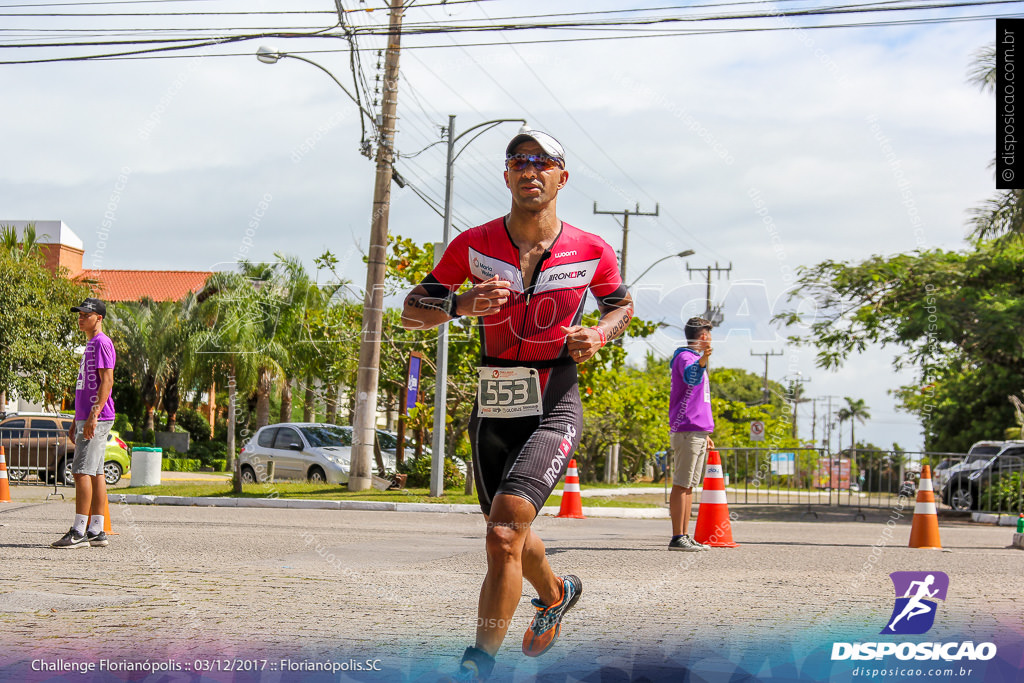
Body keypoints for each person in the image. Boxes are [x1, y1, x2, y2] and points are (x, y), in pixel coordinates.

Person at [402, 130, 633, 681]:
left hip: (555, 398)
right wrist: (460, 303)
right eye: (518, 162)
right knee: (507, 533)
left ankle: (477, 664)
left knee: (503, 534)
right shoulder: (473, 245)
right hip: (493, 401)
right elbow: (413, 311)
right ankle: (556, 594)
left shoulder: (591, 248)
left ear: (561, 177)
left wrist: (598, 335)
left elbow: (621, 308)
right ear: (506, 176)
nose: (530, 171)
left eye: (542, 162)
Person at [52, 298, 116, 549]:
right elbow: (85, 385)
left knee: (80, 471)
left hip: (96, 417)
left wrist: (93, 415)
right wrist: (76, 420)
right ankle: (96, 531)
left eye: (86, 315)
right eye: (79, 315)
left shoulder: (101, 342)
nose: (81, 318)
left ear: (98, 318)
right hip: (86, 417)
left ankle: (78, 531)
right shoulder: (91, 344)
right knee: (96, 472)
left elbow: (107, 381)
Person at [667, 316, 715, 552]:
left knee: (689, 485)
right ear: (703, 336)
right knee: (682, 483)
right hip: (686, 428)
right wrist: (704, 358)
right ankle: (678, 536)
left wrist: (704, 431)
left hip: (696, 430)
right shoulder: (686, 357)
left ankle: (685, 535)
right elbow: (691, 377)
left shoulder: (696, 359)